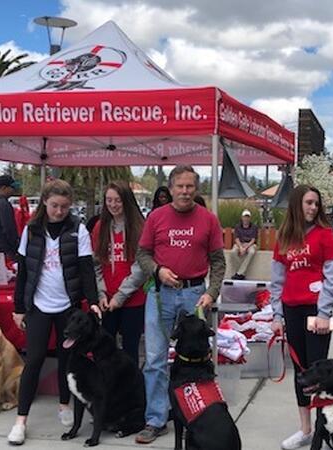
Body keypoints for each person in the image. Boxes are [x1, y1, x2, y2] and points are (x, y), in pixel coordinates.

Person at [134, 165, 226, 444]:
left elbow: (219, 262)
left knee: (196, 359)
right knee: (155, 359)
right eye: (180, 186)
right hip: (161, 295)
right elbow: (142, 253)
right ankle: (156, 419)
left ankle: (196, 414)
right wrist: (157, 270)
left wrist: (211, 293)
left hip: (194, 294)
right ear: (170, 188)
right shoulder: (156, 217)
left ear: (196, 189)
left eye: (190, 187)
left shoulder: (209, 220)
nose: (185, 192)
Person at [7, 179, 99, 445]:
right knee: (34, 359)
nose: (59, 211)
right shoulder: (32, 230)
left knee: (65, 357)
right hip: (39, 305)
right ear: (45, 202)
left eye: (65, 207)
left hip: (67, 305)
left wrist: (91, 301)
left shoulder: (77, 230)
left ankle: (63, 404)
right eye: (55, 206)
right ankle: (20, 421)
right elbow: (23, 270)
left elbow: (85, 269)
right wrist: (18, 308)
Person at [269, 185, 333, 450]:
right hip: (291, 310)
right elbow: (277, 280)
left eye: (316, 204)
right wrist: (277, 315)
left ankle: (327, 429)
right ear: (297, 205)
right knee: (301, 373)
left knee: (319, 371)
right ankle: (306, 430)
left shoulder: (325, 235)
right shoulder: (284, 237)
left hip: (317, 313)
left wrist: (325, 312)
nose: (313, 208)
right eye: (309, 203)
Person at [92, 181, 148, 364]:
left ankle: (129, 390)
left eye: (118, 200)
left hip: (133, 299)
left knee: (130, 349)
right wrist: (101, 293)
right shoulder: (100, 227)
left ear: (126, 201)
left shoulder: (139, 227)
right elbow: (97, 264)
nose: (113, 205)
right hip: (107, 300)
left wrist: (120, 296)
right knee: (104, 349)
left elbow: (141, 268)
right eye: (109, 200)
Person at [231, 209, 258, 280]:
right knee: (233, 252)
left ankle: (239, 273)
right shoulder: (237, 226)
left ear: (250, 218)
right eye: (245, 217)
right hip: (240, 243)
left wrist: (246, 247)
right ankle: (241, 273)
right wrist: (240, 247)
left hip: (250, 244)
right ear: (242, 218)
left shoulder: (254, 227)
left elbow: (253, 239)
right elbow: (236, 239)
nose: (246, 219)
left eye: (247, 217)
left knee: (252, 252)